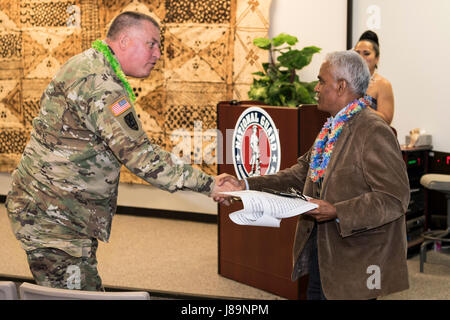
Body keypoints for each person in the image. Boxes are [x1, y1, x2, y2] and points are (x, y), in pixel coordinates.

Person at [5, 11, 233, 291]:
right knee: (77, 297)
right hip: (54, 217)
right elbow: (141, 156)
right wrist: (209, 184)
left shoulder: (90, 63)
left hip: (54, 208)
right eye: (152, 44)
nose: (158, 54)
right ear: (124, 40)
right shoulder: (101, 84)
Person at [218, 51, 410, 300]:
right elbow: (301, 173)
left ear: (341, 86)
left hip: (357, 259)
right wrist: (244, 184)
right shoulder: (332, 126)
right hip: (323, 251)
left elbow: (394, 198)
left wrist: (337, 211)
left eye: (321, 81)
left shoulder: (373, 130)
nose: (316, 88)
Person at [354, 30, 394, 124]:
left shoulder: (383, 84)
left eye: (366, 53)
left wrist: (359, 107)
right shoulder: (346, 81)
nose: (361, 57)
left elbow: (386, 120)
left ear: (377, 58)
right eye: (357, 53)